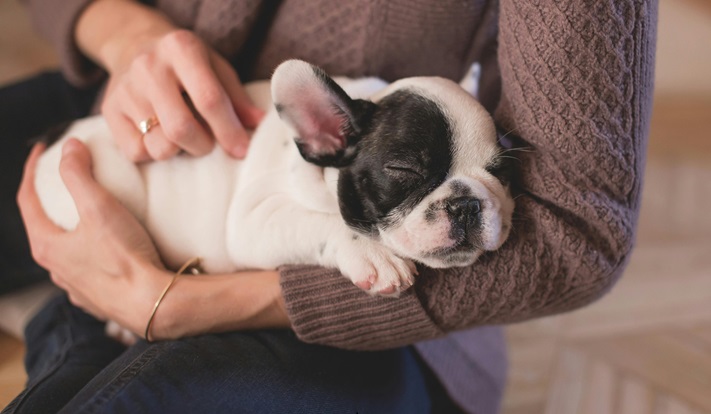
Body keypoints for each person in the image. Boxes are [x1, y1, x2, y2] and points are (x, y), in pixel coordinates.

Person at [0, 0, 657, 412]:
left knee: (136, 396)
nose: (461, 205)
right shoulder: (335, 133)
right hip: (126, 122)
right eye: (411, 178)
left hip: (366, 326)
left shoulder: (388, 148)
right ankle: (74, 319)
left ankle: (70, 324)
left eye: (492, 175)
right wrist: (119, 26)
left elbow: (578, 230)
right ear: (321, 134)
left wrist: (176, 307)